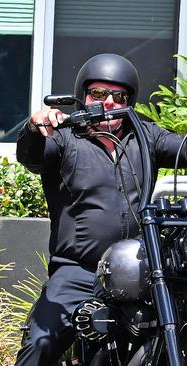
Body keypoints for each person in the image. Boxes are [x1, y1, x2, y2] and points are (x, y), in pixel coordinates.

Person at [15, 53, 187, 365]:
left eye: (117, 95)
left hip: (141, 270)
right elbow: (32, 155)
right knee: (39, 344)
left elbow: (183, 149)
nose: (107, 102)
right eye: (98, 94)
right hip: (78, 270)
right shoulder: (64, 139)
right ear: (83, 97)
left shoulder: (146, 135)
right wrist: (34, 127)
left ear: (129, 100)